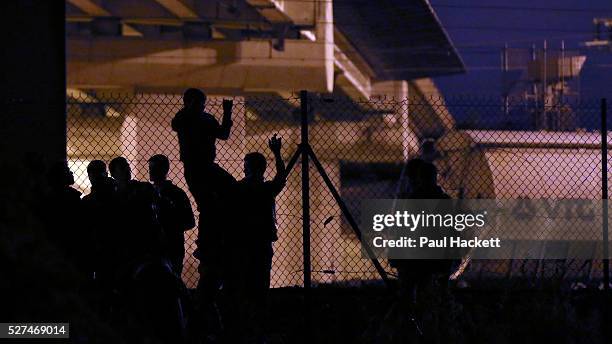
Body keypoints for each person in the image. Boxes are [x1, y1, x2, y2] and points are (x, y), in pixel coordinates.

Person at [231, 134, 286, 341]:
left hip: (242, 246)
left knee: (243, 288)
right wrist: (277, 154)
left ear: (248, 168)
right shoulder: (265, 189)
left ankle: (244, 329)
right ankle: (258, 328)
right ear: (262, 169)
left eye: (245, 166)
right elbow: (281, 178)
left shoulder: (238, 188)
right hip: (262, 244)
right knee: (261, 287)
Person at [148, 154, 195, 277]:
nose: (150, 171)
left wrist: (168, 228)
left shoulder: (176, 194)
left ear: (163, 170)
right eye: (150, 168)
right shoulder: (151, 193)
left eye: (154, 168)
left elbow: (189, 221)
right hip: (166, 246)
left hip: (170, 246)